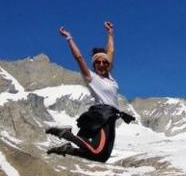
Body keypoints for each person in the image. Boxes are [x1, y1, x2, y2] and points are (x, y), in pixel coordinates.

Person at [45, 21, 134, 162]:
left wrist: (110, 33)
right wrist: (69, 38)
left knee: (102, 157)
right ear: (94, 64)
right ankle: (66, 134)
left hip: (110, 117)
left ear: (108, 64)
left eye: (105, 62)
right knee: (97, 150)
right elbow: (79, 57)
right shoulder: (91, 78)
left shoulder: (110, 76)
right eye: (98, 62)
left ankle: (68, 149)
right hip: (102, 116)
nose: (102, 64)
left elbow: (110, 51)